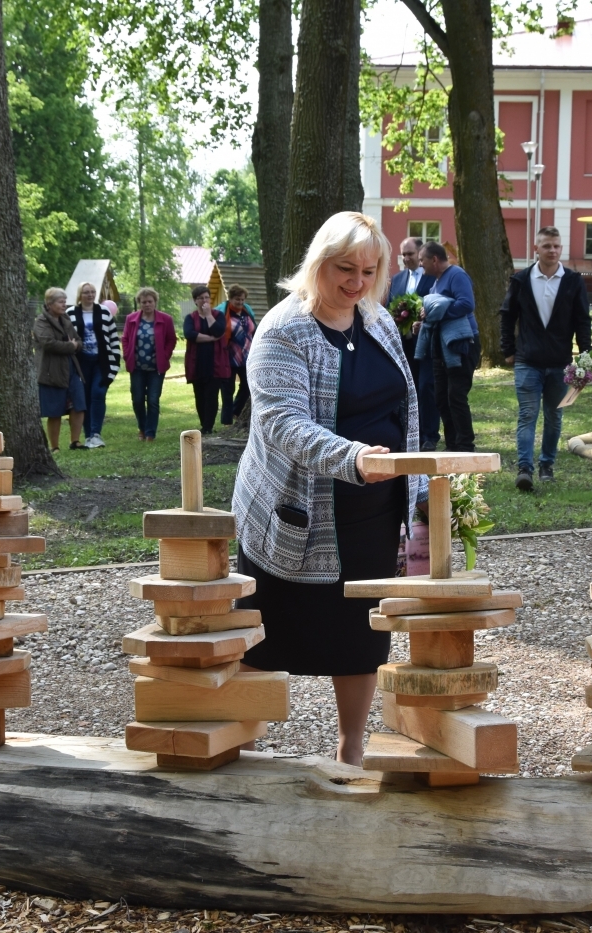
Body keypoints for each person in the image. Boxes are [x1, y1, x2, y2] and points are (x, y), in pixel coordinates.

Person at [232, 211, 422, 766]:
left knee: (360, 641)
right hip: (294, 519)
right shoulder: (281, 331)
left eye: (369, 270)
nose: (357, 283)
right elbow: (282, 423)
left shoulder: (377, 320)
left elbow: (403, 405)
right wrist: (354, 457)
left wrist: (408, 482)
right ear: (318, 263)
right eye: (345, 269)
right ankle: (233, 748)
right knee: (265, 639)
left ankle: (351, 749)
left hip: (372, 512)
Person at [498, 225, 592, 490]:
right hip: (528, 361)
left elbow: (583, 321)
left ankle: (546, 464)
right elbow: (507, 316)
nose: (552, 250)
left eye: (557, 246)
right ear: (536, 249)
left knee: (554, 416)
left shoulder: (573, 281)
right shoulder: (521, 280)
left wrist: (584, 360)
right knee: (528, 414)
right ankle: (524, 468)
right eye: (547, 246)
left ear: (561, 248)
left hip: (560, 363)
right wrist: (508, 350)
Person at [416, 241, 479, 452]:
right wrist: (424, 323)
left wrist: (437, 312)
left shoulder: (456, 275)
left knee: (456, 395)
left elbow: (467, 304)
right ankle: (452, 444)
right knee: (441, 397)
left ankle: (465, 446)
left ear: (434, 259)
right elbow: (436, 313)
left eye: (422, 260)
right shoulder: (435, 283)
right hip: (441, 346)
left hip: (461, 344)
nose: (420, 265)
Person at [387, 236, 440, 450]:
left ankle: (429, 434)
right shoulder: (397, 279)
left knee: (426, 387)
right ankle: (409, 432)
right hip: (403, 343)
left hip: (425, 342)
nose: (406, 258)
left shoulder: (432, 278)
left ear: (420, 254)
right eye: (403, 254)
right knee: (405, 387)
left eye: (410, 254)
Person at [33, 287, 87, 451]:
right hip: (51, 372)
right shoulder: (41, 321)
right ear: (49, 304)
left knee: (79, 405)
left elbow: (78, 341)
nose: (64, 305)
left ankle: (75, 442)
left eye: (65, 301)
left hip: (71, 369)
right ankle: (54, 446)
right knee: (54, 410)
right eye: (60, 302)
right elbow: (48, 343)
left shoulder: (66, 319)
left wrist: (74, 345)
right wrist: (70, 346)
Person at [69, 282, 122, 448]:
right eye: (86, 292)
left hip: (101, 362)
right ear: (80, 295)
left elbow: (113, 339)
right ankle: (87, 436)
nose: (90, 295)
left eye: (92, 292)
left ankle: (96, 434)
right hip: (80, 363)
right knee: (84, 398)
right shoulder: (70, 313)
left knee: (98, 393)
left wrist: (114, 363)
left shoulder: (104, 312)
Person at [122, 287, 177, 441]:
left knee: (153, 400)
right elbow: (125, 338)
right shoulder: (131, 319)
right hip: (137, 366)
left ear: (155, 302)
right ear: (139, 303)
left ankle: (150, 433)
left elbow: (171, 340)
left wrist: (165, 355)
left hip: (156, 367)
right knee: (138, 399)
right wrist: (127, 354)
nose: (147, 304)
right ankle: (142, 427)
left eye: (150, 301)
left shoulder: (165, 319)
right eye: (143, 302)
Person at [185, 285, 230, 433]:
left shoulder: (218, 316)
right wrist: (211, 338)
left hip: (215, 362)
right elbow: (190, 334)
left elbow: (219, 331)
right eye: (200, 298)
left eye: (206, 297)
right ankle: (203, 422)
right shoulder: (190, 318)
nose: (204, 300)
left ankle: (208, 427)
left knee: (212, 395)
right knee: (199, 395)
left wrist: (209, 315)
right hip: (197, 362)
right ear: (195, 301)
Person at [219, 285, 256, 424]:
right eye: (237, 300)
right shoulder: (223, 312)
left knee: (247, 386)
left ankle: (236, 411)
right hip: (229, 356)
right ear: (230, 299)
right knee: (228, 389)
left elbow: (254, 329)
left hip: (247, 356)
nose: (240, 302)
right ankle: (226, 420)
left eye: (242, 299)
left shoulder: (247, 311)